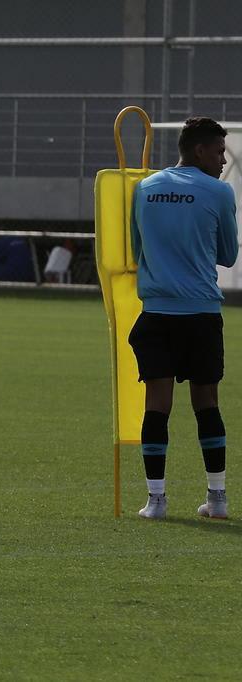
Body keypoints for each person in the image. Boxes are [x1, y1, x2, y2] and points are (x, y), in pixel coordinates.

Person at [129, 116, 239, 520]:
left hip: (156, 313)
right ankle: (218, 498)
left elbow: (135, 248)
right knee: (206, 404)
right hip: (201, 314)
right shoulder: (218, 192)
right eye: (218, 150)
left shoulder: (144, 188)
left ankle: (155, 501)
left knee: (157, 406)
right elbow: (228, 255)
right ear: (199, 150)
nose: (223, 158)